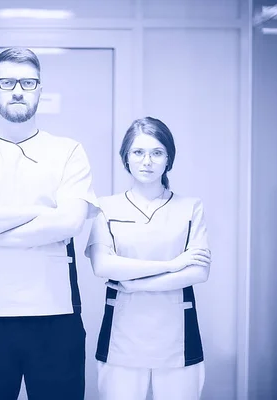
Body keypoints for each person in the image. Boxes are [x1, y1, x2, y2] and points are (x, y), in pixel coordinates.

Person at [0, 47, 99, 400]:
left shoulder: (68, 151)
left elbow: (70, 222)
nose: (17, 90)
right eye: (6, 81)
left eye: (28, 82)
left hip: (56, 315)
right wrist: (39, 214)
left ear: (40, 89)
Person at [85, 117, 211, 400]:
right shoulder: (106, 207)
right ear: (126, 158)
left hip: (178, 338)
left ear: (169, 159)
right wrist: (172, 265)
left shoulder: (190, 207)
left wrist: (135, 284)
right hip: (121, 338)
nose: (147, 161)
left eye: (157, 153)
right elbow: (103, 265)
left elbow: (198, 272)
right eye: (138, 152)